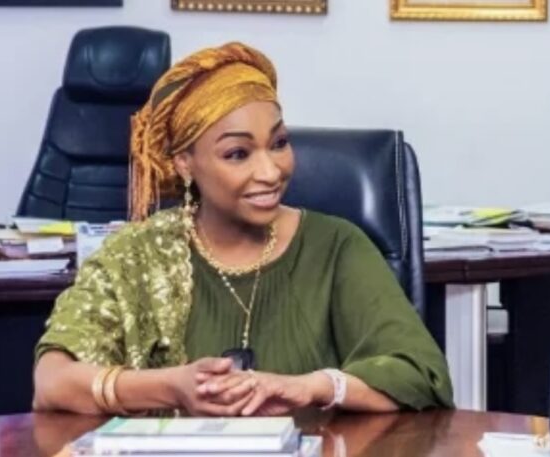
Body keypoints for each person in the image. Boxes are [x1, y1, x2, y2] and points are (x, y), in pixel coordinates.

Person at [33, 42, 453, 417]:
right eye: (237, 154)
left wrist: (313, 387)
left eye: (279, 143)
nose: (270, 171)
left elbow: (421, 374)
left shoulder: (336, 246)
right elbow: (52, 382)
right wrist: (171, 387)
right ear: (184, 164)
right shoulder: (136, 255)